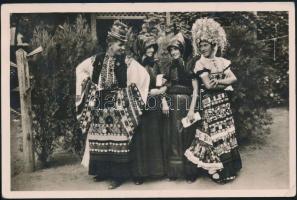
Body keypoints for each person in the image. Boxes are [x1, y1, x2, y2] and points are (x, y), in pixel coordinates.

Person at [76, 20, 150, 189]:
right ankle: (102, 172)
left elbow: (144, 77)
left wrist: (128, 94)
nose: (122, 48)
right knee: (100, 139)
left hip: (118, 108)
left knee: (118, 142)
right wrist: (90, 87)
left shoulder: (127, 62)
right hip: (100, 106)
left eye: (124, 44)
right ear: (110, 43)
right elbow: (80, 70)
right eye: (119, 44)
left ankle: (117, 176)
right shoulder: (96, 60)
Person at [184, 18, 242, 183]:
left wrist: (221, 82)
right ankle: (211, 169)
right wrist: (222, 83)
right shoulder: (200, 63)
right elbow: (207, 86)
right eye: (200, 45)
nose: (202, 48)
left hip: (223, 103)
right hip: (209, 104)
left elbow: (233, 78)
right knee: (211, 136)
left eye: (205, 45)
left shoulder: (222, 62)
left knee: (225, 134)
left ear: (213, 44)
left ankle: (226, 168)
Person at [162, 33, 199, 182]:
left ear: (182, 49)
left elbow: (195, 90)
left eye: (176, 49)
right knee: (173, 136)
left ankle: (190, 172)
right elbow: (163, 86)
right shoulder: (169, 66)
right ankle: (174, 171)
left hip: (186, 103)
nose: (173, 52)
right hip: (172, 104)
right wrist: (164, 101)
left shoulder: (191, 65)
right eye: (171, 50)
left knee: (187, 135)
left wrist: (191, 109)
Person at [130, 33, 166, 185]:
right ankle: (139, 174)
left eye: (152, 46)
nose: (151, 50)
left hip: (154, 104)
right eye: (147, 46)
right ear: (141, 47)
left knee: (153, 137)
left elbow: (160, 84)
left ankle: (155, 171)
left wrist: (161, 94)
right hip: (139, 105)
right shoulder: (134, 65)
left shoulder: (155, 64)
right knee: (140, 139)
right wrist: (146, 93)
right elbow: (131, 86)